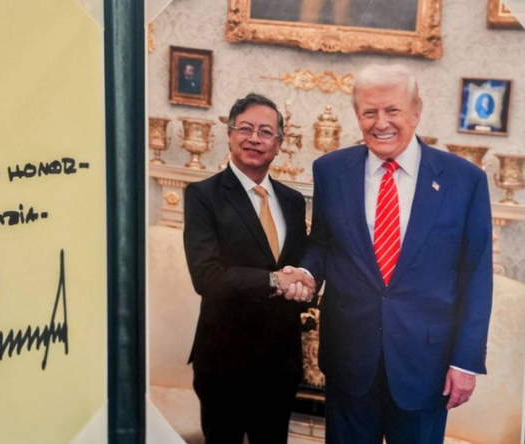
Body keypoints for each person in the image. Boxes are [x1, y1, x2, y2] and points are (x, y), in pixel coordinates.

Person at [294, 64, 493, 443]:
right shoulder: (331, 171)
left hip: (427, 365)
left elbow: (477, 278)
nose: (381, 122)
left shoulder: (464, 180)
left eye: (393, 110)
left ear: (416, 112)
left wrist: (466, 361)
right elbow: (321, 243)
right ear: (357, 116)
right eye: (369, 112)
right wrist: (306, 273)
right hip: (349, 357)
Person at [183, 93, 314, 444]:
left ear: (279, 144)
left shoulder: (292, 201)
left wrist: (305, 282)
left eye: (266, 132)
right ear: (230, 134)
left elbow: (299, 265)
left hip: (280, 362)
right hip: (224, 361)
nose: (255, 138)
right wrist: (274, 280)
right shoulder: (203, 195)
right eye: (246, 128)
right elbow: (206, 276)